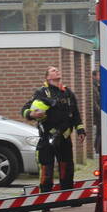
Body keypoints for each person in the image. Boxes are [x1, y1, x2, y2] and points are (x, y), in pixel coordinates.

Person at [22, 65, 85, 193]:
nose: (56, 71)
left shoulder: (68, 93)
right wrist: (32, 114)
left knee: (66, 168)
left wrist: (80, 130)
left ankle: (67, 195)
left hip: (64, 137)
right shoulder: (41, 92)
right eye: (53, 70)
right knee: (46, 169)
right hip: (47, 138)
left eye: (57, 69)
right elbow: (25, 110)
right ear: (47, 77)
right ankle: (45, 198)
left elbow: (75, 113)